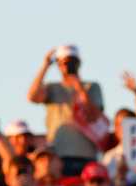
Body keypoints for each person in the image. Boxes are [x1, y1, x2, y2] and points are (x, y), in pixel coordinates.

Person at [28, 44, 108, 174]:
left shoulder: (91, 87)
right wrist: (45, 66)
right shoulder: (52, 88)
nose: (67, 66)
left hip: (86, 154)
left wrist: (78, 86)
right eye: (63, 62)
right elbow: (32, 96)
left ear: (79, 63)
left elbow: (93, 116)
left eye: (72, 62)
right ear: (58, 65)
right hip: (58, 156)